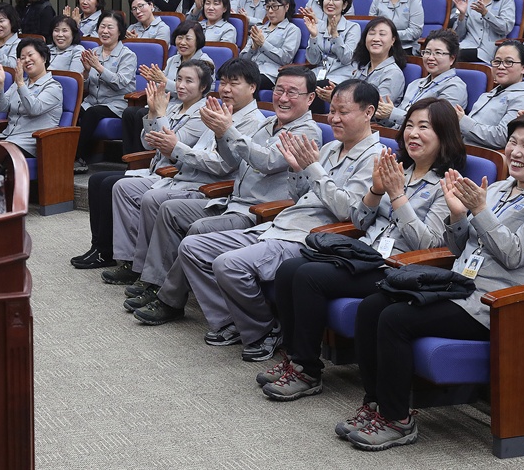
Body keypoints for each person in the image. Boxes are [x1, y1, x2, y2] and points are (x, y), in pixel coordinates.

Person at [340, 110, 524, 451]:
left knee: (395, 319)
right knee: (373, 305)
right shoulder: (498, 188)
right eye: (513, 142)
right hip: (460, 286)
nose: (516, 152)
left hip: (499, 304)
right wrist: (457, 215)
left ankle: (397, 420)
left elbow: (514, 255)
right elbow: (457, 247)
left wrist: (479, 211)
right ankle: (376, 405)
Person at [262, 98, 465, 400]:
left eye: (424, 127)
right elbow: (358, 219)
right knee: (291, 268)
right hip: (364, 255)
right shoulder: (399, 170)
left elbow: (427, 243)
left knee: (309, 277)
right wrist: (376, 190)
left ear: (444, 135)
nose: (413, 133)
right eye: (409, 125)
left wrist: (397, 197)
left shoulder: (447, 185)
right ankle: (295, 357)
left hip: (396, 268)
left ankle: (307, 369)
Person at [167, 79, 382, 361]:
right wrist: (297, 171)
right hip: (278, 224)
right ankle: (231, 322)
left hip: (305, 237)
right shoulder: (331, 149)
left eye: (343, 112)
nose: (334, 118)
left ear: (368, 113)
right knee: (193, 247)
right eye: (332, 111)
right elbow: (299, 196)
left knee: (227, 264)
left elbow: (349, 212)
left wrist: (313, 170)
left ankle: (265, 330)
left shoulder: (375, 157)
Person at [125, 60, 311, 311]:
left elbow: (266, 162)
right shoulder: (269, 124)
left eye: (292, 92)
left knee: (198, 228)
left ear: (310, 99)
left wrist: (227, 130)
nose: (283, 97)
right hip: (230, 200)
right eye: (279, 90)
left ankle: (169, 300)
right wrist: (222, 134)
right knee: (169, 209)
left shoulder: (306, 132)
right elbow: (231, 159)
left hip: (258, 210)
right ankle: (154, 282)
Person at [71, 62, 214, 270]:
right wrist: (153, 114)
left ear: (203, 87)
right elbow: (147, 143)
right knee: (97, 180)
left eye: (188, 81)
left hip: (173, 174)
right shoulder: (173, 106)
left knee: (110, 184)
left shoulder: (201, 115)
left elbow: (170, 146)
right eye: (179, 79)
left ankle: (111, 252)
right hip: (154, 169)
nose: (181, 85)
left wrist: (160, 113)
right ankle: (100, 247)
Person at [125, 21, 213, 153]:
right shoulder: (173, 60)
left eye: (188, 38)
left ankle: (142, 157)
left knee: (140, 114)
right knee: (129, 113)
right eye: (179, 37)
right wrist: (154, 81)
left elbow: (204, 93)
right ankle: (129, 157)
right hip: (167, 104)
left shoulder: (205, 63)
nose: (182, 42)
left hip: (185, 108)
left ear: (198, 40)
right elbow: (162, 86)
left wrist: (164, 81)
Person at [73, 11, 137, 173]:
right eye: (102, 27)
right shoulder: (95, 52)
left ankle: (77, 157)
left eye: (110, 27)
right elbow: (86, 85)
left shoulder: (128, 55)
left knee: (92, 113)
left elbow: (120, 83)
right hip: (93, 101)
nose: (105, 31)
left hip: (116, 103)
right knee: (74, 111)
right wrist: (86, 72)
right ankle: (61, 154)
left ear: (120, 31)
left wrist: (99, 68)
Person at [0, 38, 63, 158]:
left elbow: (34, 109)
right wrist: (0, 85)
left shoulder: (54, 87)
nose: (27, 60)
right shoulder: (19, 83)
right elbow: (1, 108)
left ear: (43, 58)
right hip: (7, 137)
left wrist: (20, 84)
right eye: (22, 57)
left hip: (31, 143)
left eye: (30, 55)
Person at [377, 30, 468, 129]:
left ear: (452, 59)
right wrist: (382, 116)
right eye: (427, 52)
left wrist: (393, 113)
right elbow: (397, 123)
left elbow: (434, 123)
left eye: (438, 53)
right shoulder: (415, 84)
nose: (430, 58)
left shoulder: (455, 87)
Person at [458, 40, 524, 149]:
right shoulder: (486, 95)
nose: (501, 66)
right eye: (497, 61)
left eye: (509, 62)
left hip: (483, 156)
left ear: (523, 68)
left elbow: (503, 137)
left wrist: (463, 121)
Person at [301, 0, 360, 113]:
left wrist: (335, 35)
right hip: (319, 73)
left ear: (344, 5)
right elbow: (312, 60)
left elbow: (346, 59)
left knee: (316, 87)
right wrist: (313, 36)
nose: (330, 3)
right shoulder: (318, 26)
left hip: (341, 75)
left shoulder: (353, 27)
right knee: (295, 83)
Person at [453, 0, 515, 64]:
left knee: (449, 56)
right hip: (466, 46)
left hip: (489, 51)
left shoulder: (507, 0)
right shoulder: (469, 1)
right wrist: (461, 15)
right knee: (442, 52)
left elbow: (505, 28)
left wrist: (486, 13)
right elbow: (458, 36)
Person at [240, 0, 300, 90]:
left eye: (275, 6)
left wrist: (263, 44)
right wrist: (253, 48)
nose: (271, 11)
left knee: (247, 84)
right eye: (268, 7)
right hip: (251, 70)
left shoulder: (292, 30)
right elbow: (242, 59)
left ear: (286, 7)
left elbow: (285, 59)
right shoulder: (259, 29)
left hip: (271, 74)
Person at [349, 17, 407, 106]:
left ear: (393, 40)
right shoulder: (361, 68)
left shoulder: (393, 73)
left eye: (382, 34)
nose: (376, 39)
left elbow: (374, 107)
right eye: (372, 33)